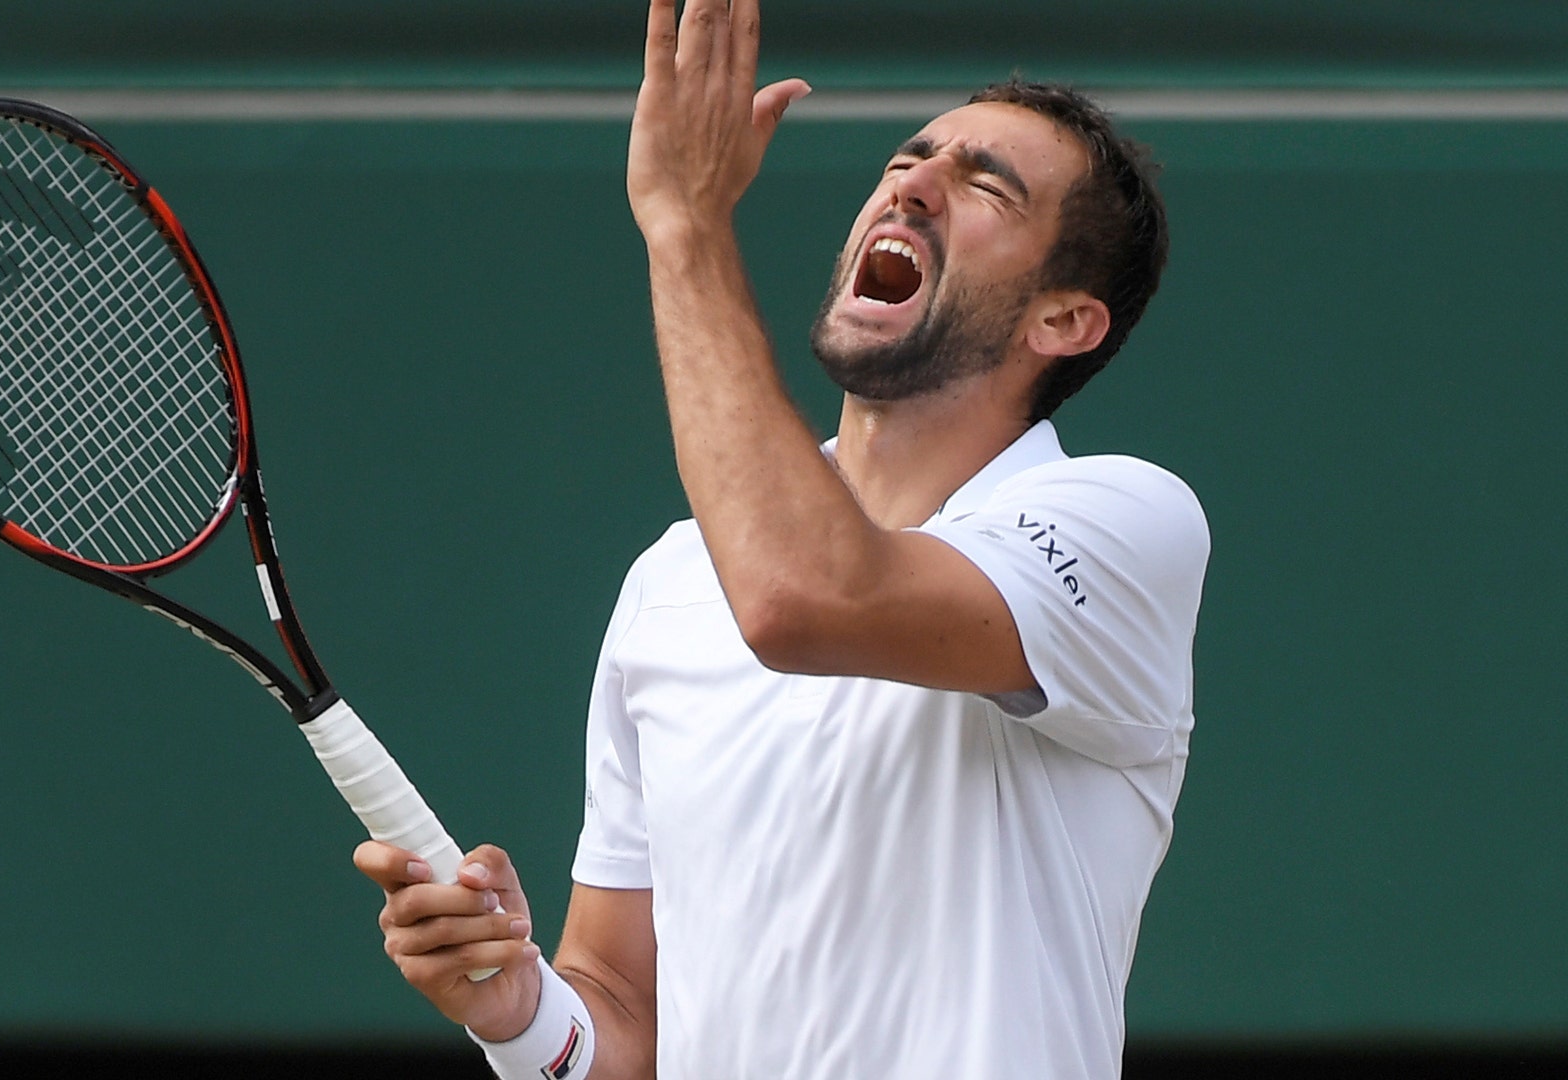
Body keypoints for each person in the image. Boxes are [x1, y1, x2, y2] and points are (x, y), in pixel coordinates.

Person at [353, 1, 1209, 1077]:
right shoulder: (669, 582)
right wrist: (520, 1008)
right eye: (910, 158)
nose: (913, 183)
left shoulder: (1127, 524)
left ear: (1063, 321)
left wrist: (685, 225)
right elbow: (623, 1008)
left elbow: (804, 598)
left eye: (986, 184)